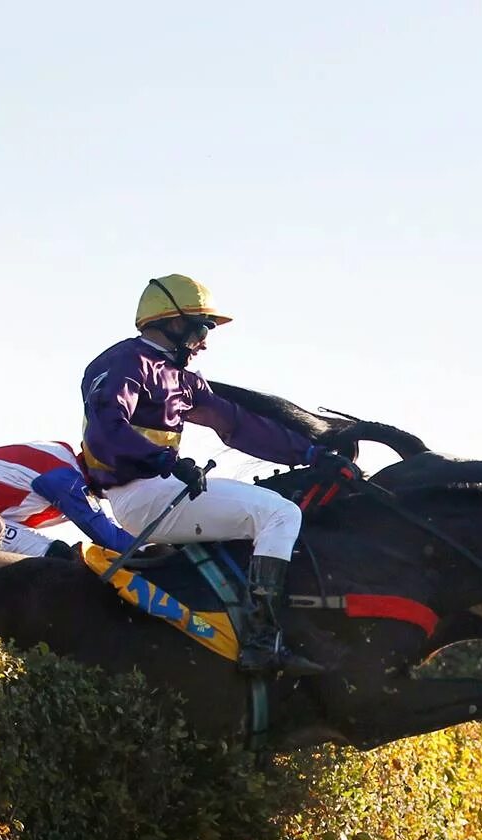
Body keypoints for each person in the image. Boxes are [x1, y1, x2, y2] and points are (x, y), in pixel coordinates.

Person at [71, 274, 330, 675]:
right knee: (280, 515)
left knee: (271, 507)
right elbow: (107, 428)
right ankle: (261, 643)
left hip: (160, 486)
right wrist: (167, 461)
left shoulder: (181, 379)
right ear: (174, 323)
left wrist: (311, 453)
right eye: (202, 328)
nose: (204, 342)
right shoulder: (125, 362)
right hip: (143, 495)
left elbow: (238, 425)